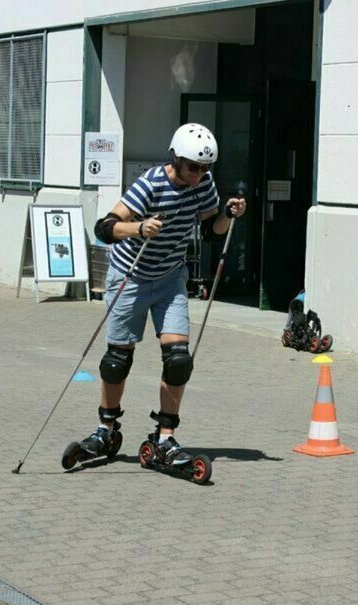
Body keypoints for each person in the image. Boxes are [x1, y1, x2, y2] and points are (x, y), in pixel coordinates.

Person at [81, 123, 246, 467]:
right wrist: (139, 228)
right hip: (131, 275)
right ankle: (106, 429)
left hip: (170, 278)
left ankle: (165, 437)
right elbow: (106, 228)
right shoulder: (151, 184)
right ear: (176, 158)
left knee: (178, 360)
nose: (199, 175)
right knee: (116, 361)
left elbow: (209, 230)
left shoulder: (204, 185)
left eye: (205, 168)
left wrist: (228, 216)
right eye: (193, 167)